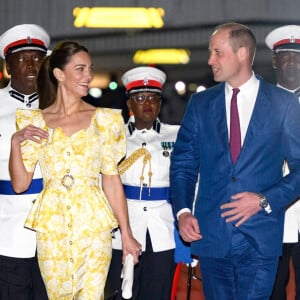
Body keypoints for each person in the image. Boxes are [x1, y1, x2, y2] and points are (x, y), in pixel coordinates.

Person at [170, 22, 300, 300]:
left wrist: (264, 200)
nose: (210, 60)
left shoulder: (282, 104)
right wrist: (182, 212)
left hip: (260, 236)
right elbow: (183, 164)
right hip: (211, 235)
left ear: (242, 53)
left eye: (217, 52)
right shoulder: (200, 104)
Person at [8, 40, 141, 300]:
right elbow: (20, 184)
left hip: (94, 229)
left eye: (90, 69)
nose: (88, 76)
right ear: (59, 74)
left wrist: (126, 234)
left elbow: (111, 181)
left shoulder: (104, 120)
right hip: (51, 230)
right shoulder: (35, 122)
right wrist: (16, 142)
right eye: (80, 69)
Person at [107, 66, 178, 300]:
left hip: (163, 229)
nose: (147, 103)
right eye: (139, 98)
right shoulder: (114, 138)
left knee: (158, 293)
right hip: (122, 229)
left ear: (160, 103)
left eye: (153, 98)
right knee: (122, 293)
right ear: (129, 104)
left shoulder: (177, 136)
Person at [0, 24, 50, 300]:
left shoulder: (62, 108)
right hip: (7, 232)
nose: (31, 65)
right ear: (8, 67)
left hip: (54, 234)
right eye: (22, 59)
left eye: (38, 58)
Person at [265, 25, 300, 300]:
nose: (292, 62)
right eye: (285, 56)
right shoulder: (257, 103)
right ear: (275, 61)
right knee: (271, 287)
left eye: (298, 56)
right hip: (271, 210)